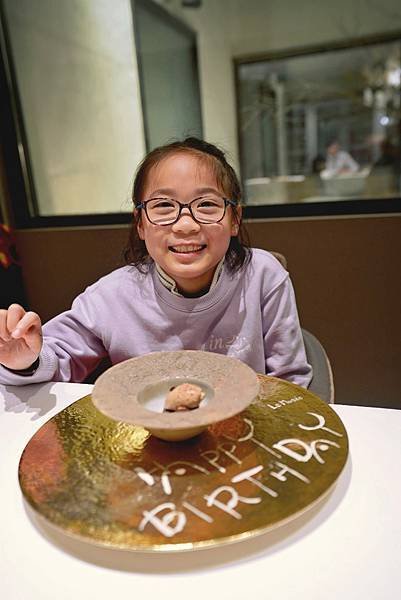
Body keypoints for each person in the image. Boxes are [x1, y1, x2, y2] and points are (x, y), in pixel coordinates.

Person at [0, 138, 312, 388]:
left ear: (234, 219)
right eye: (163, 205)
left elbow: (290, 381)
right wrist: (24, 359)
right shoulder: (112, 296)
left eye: (206, 204)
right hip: (146, 444)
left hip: (243, 440)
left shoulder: (263, 276)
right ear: (140, 223)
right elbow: (57, 358)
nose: (186, 224)